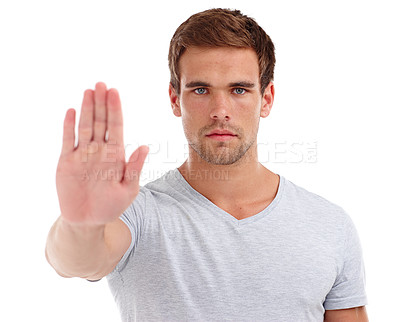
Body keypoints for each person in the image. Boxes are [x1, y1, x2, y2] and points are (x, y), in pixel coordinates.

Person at [45, 8, 368, 321]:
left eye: (239, 89)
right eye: (201, 89)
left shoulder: (330, 225)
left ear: (266, 99)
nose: (220, 110)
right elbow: (78, 261)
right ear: (175, 99)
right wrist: (81, 224)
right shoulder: (139, 212)